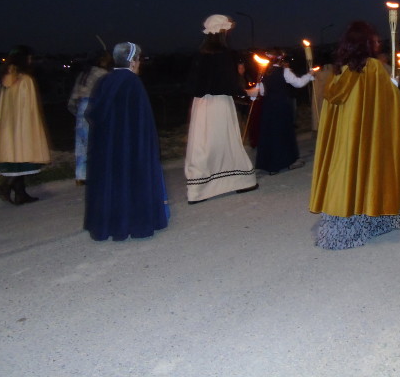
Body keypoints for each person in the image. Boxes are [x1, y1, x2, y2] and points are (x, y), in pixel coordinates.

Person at [309, 21, 400, 249]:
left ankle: (340, 225)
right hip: (365, 139)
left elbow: (333, 99)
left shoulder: (338, 70)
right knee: (368, 172)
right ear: (367, 43)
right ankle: (373, 218)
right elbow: (390, 104)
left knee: (345, 174)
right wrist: (394, 86)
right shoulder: (373, 68)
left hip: (343, 139)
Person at [84, 42, 169, 241]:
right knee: (131, 181)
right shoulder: (132, 82)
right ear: (132, 61)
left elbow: (94, 114)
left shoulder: (105, 81)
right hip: (130, 146)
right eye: (139, 59)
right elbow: (141, 122)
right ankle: (135, 222)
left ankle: (109, 223)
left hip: (107, 146)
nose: (140, 64)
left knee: (111, 181)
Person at [184, 15, 258, 203]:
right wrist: (245, 89)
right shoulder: (224, 54)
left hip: (201, 105)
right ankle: (238, 181)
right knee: (226, 141)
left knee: (203, 143)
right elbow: (227, 83)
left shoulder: (200, 53)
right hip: (220, 104)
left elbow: (194, 83)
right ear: (222, 32)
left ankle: (199, 190)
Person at [0, 45, 51, 205]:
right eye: (29, 57)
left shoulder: (5, 78)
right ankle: (6, 186)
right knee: (22, 157)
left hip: (7, 128)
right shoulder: (25, 80)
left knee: (15, 160)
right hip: (21, 128)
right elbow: (27, 110)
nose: (31, 60)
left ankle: (21, 193)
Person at [254, 49, 314, 174]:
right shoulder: (285, 71)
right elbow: (298, 83)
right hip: (282, 106)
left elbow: (262, 92)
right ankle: (288, 161)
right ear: (281, 59)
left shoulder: (265, 73)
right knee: (284, 132)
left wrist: (258, 83)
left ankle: (271, 166)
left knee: (271, 133)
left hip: (269, 106)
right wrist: (309, 75)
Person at [67, 51, 113, 186]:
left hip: (81, 106)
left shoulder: (84, 74)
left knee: (82, 143)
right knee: (97, 141)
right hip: (95, 105)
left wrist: (76, 110)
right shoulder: (103, 74)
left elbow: (73, 97)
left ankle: (81, 175)